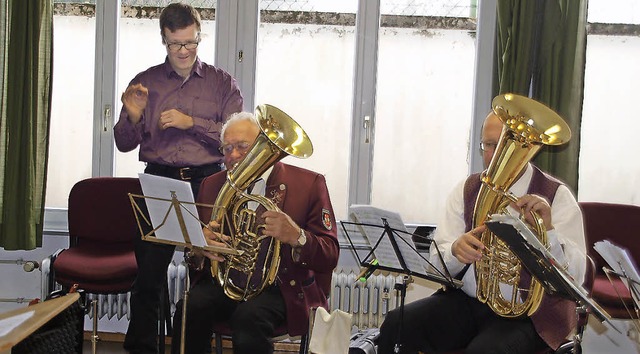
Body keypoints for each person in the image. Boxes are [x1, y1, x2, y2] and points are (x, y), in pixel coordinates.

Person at [377, 110, 587, 354]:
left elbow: (577, 278)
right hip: (469, 302)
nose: (497, 155)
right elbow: (436, 262)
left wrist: (548, 231)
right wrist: (455, 251)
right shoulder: (466, 190)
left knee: (485, 351)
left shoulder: (556, 196)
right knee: (397, 323)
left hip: (531, 316)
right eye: (489, 145)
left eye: (503, 145)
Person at [114, 3, 243, 353]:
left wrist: (192, 123)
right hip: (159, 180)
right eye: (175, 44)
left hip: (210, 183)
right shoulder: (146, 82)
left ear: (199, 36)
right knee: (149, 279)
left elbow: (237, 140)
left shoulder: (221, 83)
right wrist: (132, 115)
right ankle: (142, 348)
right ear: (163, 40)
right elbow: (123, 143)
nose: (184, 51)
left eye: (191, 42)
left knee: (210, 277)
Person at [171, 112, 340, 354]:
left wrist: (297, 236)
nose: (234, 156)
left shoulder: (309, 184)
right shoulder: (212, 185)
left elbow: (330, 254)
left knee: (249, 319)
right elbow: (195, 259)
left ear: (264, 145)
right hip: (225, 282)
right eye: (227, 148)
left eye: (242, 146)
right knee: (189, 308)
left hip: (282, 287)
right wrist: (199, 247)